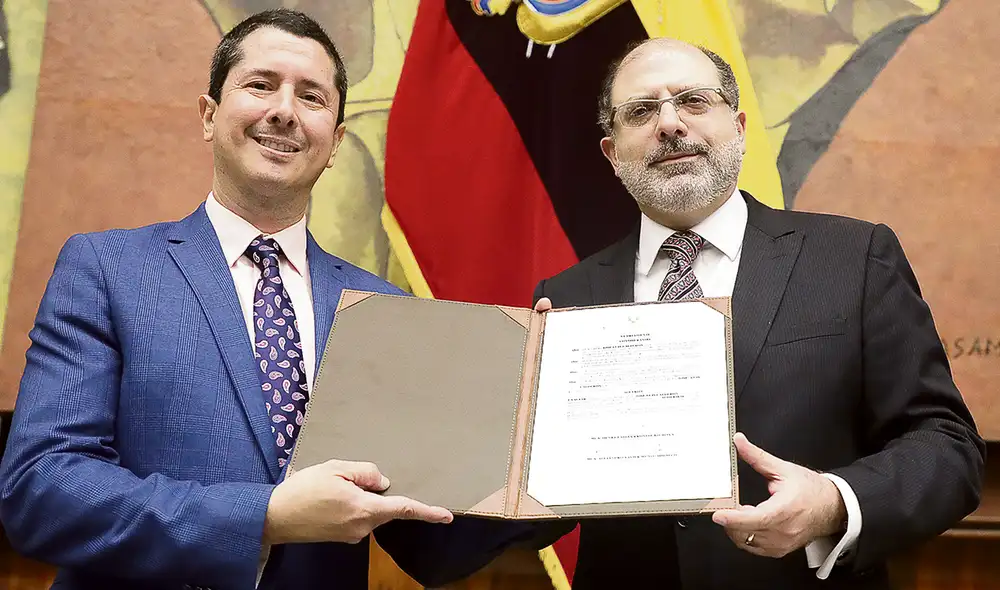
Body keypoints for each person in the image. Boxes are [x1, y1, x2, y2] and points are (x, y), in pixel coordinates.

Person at [0, 9, 559, 590]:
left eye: (312, 97)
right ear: (209, 116)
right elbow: (41, 491)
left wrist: (544, 451)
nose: (284, 111)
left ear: (336, 140)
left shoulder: (381, 308)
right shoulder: (108, 269)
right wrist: (263, 518)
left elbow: (429, 544)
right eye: (260, 85)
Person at [532, 38, 985, 589]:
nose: (671, 124)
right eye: (642, 111)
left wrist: (831, 503)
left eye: (694, 101)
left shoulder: (853, 258)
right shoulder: (567, 298)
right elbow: (531, 487)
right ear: (612, 153)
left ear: (740, 127)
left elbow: (946, 445)